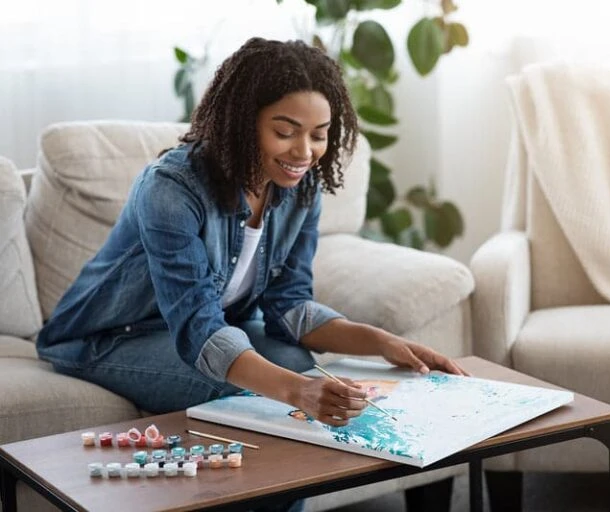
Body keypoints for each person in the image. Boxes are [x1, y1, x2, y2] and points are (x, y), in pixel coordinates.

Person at [37, 37, 467, 433]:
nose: (304, 152)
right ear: (243, 123)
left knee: (311, 377)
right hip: (109, 338)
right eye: (285, 132)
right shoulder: (170, 190)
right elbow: (199, 328)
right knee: (268, 398)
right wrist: (295, 392)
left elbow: (289, 305)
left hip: (218, 326)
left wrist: (383, 342)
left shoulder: (301, 189)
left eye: (319, 135)